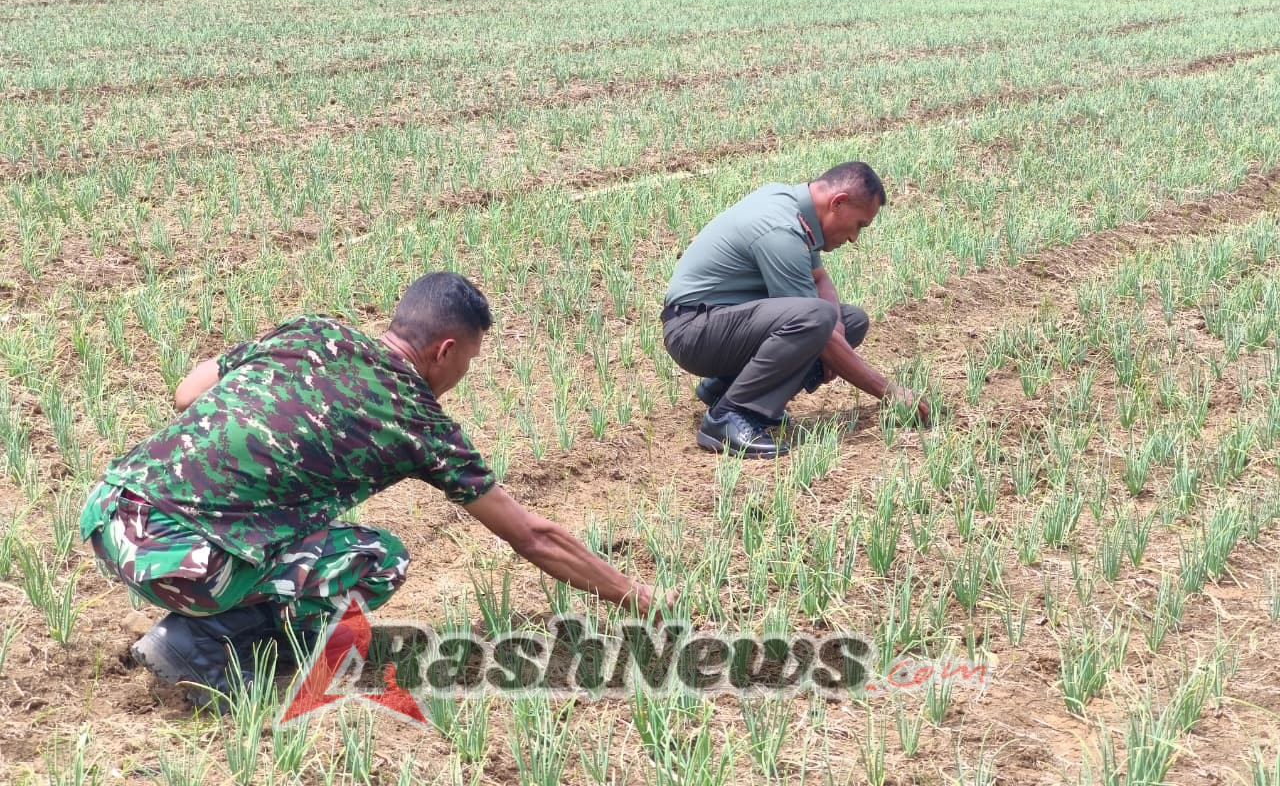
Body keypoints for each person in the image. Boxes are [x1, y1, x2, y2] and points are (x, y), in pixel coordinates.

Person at [81, 272, 665, 708]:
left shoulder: (310, 331)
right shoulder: (417, 420)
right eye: (469, 362)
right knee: (378, 559)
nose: (462, 377)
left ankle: (217, 633)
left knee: (295, 526)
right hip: (181, 562)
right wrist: (635, 597)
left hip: (110, 511)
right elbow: (534, 538)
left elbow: (188, 394)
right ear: (445, 351)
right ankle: (203, 643)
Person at [661, 162, 930, 458]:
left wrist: (835, 331)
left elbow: (819, 278)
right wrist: (888, 391)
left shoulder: (791, 205)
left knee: (850, 321)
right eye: (859, 225)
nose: (854, 238)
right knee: (818, 319)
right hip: (694, 330)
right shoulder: (781, 229)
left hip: (721, 323)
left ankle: (728, 388)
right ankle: (728, 416)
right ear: (838, 203)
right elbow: (814, 321)